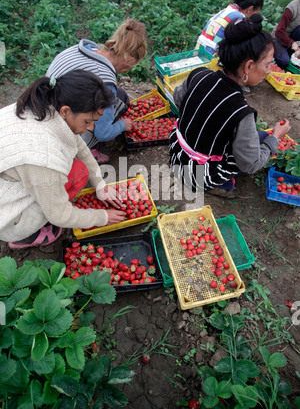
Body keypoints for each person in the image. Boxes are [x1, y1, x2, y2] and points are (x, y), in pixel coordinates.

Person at [0, 70, 127, 249]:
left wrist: (99, 184)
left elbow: (80, 147)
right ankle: (25, 235)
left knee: (74, 170)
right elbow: (59, 215)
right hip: (6, 216)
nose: (91, 128)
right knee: (75, 175)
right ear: (66, 111)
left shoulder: (46, 108)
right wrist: (102, 217)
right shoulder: (42, 156)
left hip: (10, 179)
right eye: (88, 121)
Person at [170, 14, 291, 198]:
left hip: (176, 156)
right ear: (248, 66)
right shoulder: (241, 113)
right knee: (261, 141)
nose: (268, 71)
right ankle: (218, 184)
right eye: (267, 65)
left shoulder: (200, 75)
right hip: (197, 175)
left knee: (254, 137)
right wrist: (275, 138)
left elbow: (178, 99)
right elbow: (250, 164)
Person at [46, 18, 147, 163]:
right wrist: (122, 125)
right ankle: (87, 150)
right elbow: (103, 133)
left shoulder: (83, 48)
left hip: (46, 111)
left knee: (116, 96)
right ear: (128, 60)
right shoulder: (104, 81)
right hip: (62, 134)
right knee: (120, 100)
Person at [195, 0, 264, 56]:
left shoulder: (229, 10)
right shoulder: (239, 19)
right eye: (256, 12)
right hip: (210, 56)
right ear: (250, 9)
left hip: (198, 51)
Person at [272, 0, 300, 69]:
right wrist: (292, 43)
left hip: (295, 40)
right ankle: (276, 51)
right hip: (279, 39)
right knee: (283, 61)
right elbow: (279, 31)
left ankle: (292, 54)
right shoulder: (293, 7)